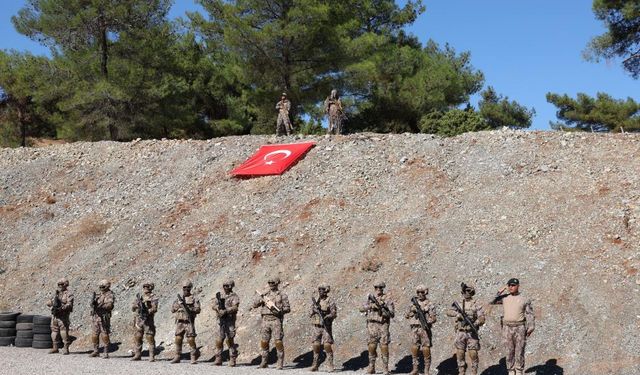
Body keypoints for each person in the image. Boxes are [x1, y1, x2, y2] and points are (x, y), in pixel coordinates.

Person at [490, 278, 535, 375]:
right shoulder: (504, 298)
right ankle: (511, 371)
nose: (511, 287)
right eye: (509, 285)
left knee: (519, 351)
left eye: (513, 285)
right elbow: (492, 301)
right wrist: (500, 291)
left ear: (518, 286)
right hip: (507, 328)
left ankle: (519, 371)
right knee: (509, 351)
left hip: (519, 328)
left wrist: (531, 326)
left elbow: (529, 313)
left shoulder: (524, 299)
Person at [446, 283, 485, 375]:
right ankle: (461, 371)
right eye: (466, 291)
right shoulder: (458, 303)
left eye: (469, 291)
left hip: (472, 332)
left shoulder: (476, 304)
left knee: (473, 352)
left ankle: (474, 371)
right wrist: (457, 314)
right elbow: (448, 312)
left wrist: (475, 323)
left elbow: (482, 318)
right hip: (461, 332)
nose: (467, 293)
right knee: (460, 352)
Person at [252, 277, 291, 369]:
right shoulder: (265, 294)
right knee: (264, 342)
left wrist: (280, 311)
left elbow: (287, 308)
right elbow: (254, 305)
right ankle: (264, 361)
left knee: (278, 341)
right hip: (265, 320)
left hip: (275, 320)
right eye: (269, 282)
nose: (271, 284)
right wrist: (261, 299)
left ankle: (280, 362)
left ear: (277, 283)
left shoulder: (282, 295)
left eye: (272, 282)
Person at [359, 281, 395, 375]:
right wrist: (371, 306)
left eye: (380, 287)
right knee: (372, 346)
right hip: (372, 325)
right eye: (376, 287)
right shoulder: (369, 298)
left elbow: (392, 313)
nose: (378, 289)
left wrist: (382, 310)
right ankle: (372, 366)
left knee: (384, 346)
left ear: (383, 288)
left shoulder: (387, 298)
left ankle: (385, 368)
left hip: (383, 325)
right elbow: (361, 308)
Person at [405, 285, 436, 375]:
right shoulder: (412, 304)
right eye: (418, 292)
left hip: (424, 328)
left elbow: (434, 318)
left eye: (422, 292)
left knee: (426, 348)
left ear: (425, 293)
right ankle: (415, 369)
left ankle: (426, 370)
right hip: (414, 328)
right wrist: (412, 310)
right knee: (415, 347)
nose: (420, 294)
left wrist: (427, 322)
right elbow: (406, 315)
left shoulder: (429, 304)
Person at [171, 280, 201, 364]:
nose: (186, 289)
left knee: (191, 339)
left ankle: (193, 356)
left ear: (190, 288)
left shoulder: (194, 298)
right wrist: (179, 305)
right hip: (180, 322)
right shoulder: (178, 299)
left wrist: (189, 308)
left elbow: (198, 309)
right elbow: (172, 309)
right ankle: (177, 356)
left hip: (189, 321)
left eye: (188, 287)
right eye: (184, 287)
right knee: (178, 338)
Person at [211, 279, 240, 366]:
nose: (225, 287)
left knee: (229, 340)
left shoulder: (234, 296)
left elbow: (235, 307)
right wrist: (218, 308)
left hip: (229, 321)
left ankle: (232, 358)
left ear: (231, 286)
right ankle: (218, 358)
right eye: (224, 286)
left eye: (227, 286)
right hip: (221, 322)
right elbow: (213, 305)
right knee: (219, 340)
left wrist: (226, 311)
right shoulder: (220, 296)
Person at [309, 283, 337, 372]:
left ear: (326, 291)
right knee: (316, 345)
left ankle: (330, 364)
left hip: (326, 326)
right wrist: (314, 310)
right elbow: (310, 313)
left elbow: (334, 313)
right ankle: (315, 364)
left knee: (327, 345)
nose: (320, 291)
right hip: (317, 326)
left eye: (322, 290)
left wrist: (327, 316)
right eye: (319, 290)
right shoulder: (316, 301)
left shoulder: (330, 300)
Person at [131, 281, 159, 362]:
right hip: (139, 320)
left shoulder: (153, 297)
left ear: (151, 287)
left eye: (147, 286)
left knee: (150, 337)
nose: (146, 288)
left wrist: (147, 311)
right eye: (144, 286)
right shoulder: (140, 297)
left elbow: (154, 308)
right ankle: (137, 354)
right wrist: (137, 305)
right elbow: (133, 308)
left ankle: (151, 355)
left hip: (148, 320)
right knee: (138, 337)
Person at [46, 278, 74, 355]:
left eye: (61, 284)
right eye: (59, 284)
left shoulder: (69, 294)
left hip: (63, 316)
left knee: (63, 332)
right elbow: (49, 301)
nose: (60, 286)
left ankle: (66, 348)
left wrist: (61, 307)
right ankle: (55, 347)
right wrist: (50, 304)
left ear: (65, 284)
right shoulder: (56, 293)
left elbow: (69, 305)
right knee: (54, 331)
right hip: (55, 316)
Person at [89, 279, 115, 359]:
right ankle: (96, 351)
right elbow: (92, 304)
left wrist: (100, 306)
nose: (101, 288)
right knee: (94, 334)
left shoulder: (110, 295)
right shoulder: (98, 295)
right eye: (100, 286)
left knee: (104, 334)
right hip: (96, 317)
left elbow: (109, 305)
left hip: (104, 317)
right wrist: (93, 304)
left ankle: (106, 352)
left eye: (103, 286)